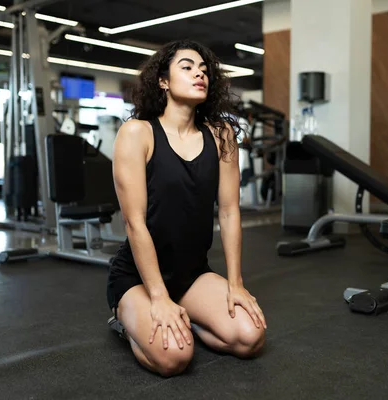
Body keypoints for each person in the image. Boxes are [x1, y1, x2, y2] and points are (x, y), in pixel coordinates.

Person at [106, 39, 267, 377]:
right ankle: (124, 320)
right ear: (163, 81)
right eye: (187, 67)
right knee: (174, 359)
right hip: (138, 277)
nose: (200, 74)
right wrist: (159, 297)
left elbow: (229, 211)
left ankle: (185, 315)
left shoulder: (221, 135)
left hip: (192, 274)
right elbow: (135, 223)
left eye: (204, 70)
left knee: (250, 337)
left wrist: (235, 283)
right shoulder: (138, 134)